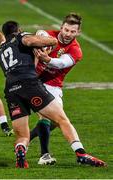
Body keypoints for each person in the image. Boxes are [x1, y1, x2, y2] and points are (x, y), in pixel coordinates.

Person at [0, 20, 106, 168]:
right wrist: (52, 41)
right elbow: (32, 40)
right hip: (30, 84)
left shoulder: (1, 50)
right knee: (62, 120)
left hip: (11, 90)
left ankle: (21, 150)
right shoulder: (22, 37)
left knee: (22, 136)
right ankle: (81, 153)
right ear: (19, 30)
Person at [30, 13, 106, 167]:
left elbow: (61, 63)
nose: (68, 34)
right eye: (66, 30)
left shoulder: (76, 50)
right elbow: (38, 34)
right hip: (34, 82)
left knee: (56, 122)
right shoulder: (50, 35)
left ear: (78, 33)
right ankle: (49, 155)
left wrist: (48, 59)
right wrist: (41, 39)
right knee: (50, 117)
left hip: (54, 85)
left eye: (72, 31)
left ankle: (25, 140)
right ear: (61, 28)